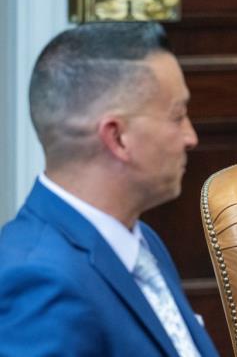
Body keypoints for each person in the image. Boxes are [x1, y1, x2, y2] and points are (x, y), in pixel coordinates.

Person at [0, 22, 219, 357]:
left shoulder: (141, 240)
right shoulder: (40, 282)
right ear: (117, 137)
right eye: (177, 116)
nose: (191, 137)